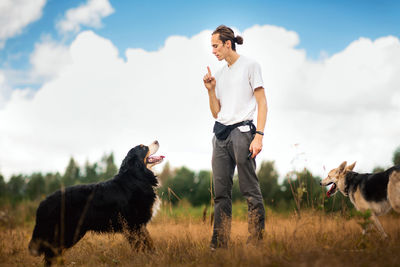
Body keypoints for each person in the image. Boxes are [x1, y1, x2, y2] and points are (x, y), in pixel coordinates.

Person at [203, 25, 268, 249]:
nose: (213, 51)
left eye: (215, 46)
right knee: (221, 194)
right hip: (220, 135)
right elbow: (216, 112)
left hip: (243, 134)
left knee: (249, 190)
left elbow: (262, 103)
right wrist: (211, 90)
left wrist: (258, 136)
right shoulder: (220, 74)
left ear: (227, 44)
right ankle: (219, 245)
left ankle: (256, 243)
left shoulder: (251, 65)